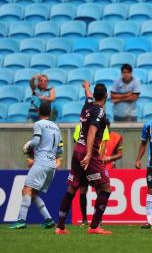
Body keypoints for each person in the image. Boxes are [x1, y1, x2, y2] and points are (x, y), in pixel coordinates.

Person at [55, 81, 112, 235]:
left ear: (94, 95)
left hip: (77, 149)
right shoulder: (99, 111)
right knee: (106, 187)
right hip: (89, 152)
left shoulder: (88, 105)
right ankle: (94, 226)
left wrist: (86, 87)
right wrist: (88, 154)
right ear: (106, 96)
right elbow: (92, 132)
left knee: (73, 187)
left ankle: (60, 227)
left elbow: (87, 96)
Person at [10, 103, 63, 229]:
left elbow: (36, 141)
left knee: (26, 190)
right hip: (52, 165)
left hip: (41, 163)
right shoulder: (56, 127)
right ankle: (49, 219)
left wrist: (28, 147)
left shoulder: (38, 124)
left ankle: (21, 220)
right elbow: (61, 150)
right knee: (33, 193)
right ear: (50, 113)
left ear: (39, 112)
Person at [73, 122, 110, 226]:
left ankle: (98, 219)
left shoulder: (102, 125)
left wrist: (100, 161)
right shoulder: (79, 126)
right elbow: (77, 144)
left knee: (99, 189)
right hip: (84, 162)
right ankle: (84, 219)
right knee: (83, 190)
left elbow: (103, 144)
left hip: (94, 162)